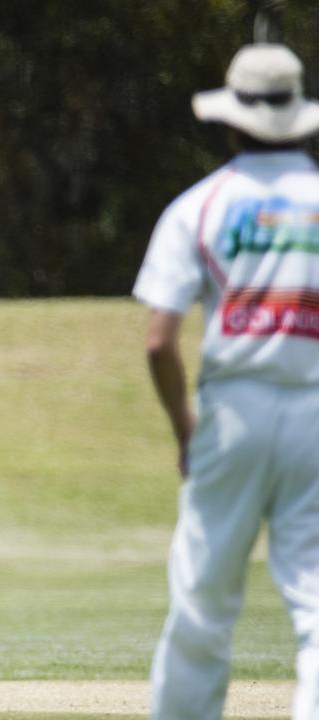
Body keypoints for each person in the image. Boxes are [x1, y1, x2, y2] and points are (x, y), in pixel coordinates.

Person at [135, 44, 319, 719]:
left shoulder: (199, 207)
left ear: (230, 120)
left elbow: (159, 341)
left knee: (203, 598)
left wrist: (185, 428)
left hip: (232, 413)